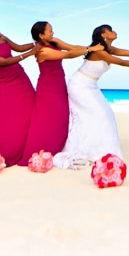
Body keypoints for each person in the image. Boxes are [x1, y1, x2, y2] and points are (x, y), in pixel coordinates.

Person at [54, 24, 129, 169]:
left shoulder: (109, 49)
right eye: (110, 30)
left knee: (106, 114)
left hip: (91, 85)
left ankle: (99, 150)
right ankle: (93, 152)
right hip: (79, 85)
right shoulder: (99, 51)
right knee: (99, 114)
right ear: (104, 35)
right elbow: (122, 62)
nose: (114, 31)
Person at [17, 21, 102, 166]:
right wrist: (91, 48)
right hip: (48, 89)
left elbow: (72, 48)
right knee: (48, 120)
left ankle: (57, 149)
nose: (53, 33)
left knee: (62, 118)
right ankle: (44, 150)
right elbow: (68, 55)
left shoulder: (54, 42)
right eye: (50, 31)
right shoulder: (43, 51)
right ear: (41, 35)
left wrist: (90, 48)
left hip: (59, 84)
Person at [0, 16, 39, 166]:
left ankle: (27, 146)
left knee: (29, 110)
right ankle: (3, 150)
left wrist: (35, 44)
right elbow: (4, 62)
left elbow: (18, 47)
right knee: (5, 116)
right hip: (4, 83)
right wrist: (31, 53)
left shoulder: (2, 38)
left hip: (20, 78)